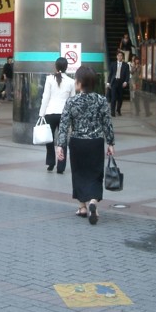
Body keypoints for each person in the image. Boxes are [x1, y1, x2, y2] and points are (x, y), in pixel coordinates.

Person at [56, 66, 115, 225]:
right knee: (95, 173)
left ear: (80, 82)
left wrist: (60, 145)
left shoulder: (72, 101)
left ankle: (82, 207)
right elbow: (107, 123)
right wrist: (110, 142)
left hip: (77, 142)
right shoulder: (101, 100)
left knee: (79, 173)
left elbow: (64, 125)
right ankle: (93, 202)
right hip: (95, 142)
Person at [38, 57, 76, 173]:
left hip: (50, 113)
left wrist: (41, 114)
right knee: (62, 140)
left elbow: (46, 97)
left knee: (49, 139)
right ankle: (61, 166)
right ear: (66, 67)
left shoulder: (49, 79)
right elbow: (72, 100)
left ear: (56, 66)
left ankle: (50, 162)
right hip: (64, 114)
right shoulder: (71, 81)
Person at [106, 51, 129, 116]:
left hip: (121, 83)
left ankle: (118, 109)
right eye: (118, 55)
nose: (119, 57)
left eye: (121, 56)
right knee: (113, 98)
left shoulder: (126, 65)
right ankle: (112, 112)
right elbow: (110, 74)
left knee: (120, 98)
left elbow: (127, 74)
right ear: (116, 56)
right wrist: (108, 82)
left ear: (123, 57)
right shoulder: (113, 64)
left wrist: (126, 82)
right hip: (114, 82)